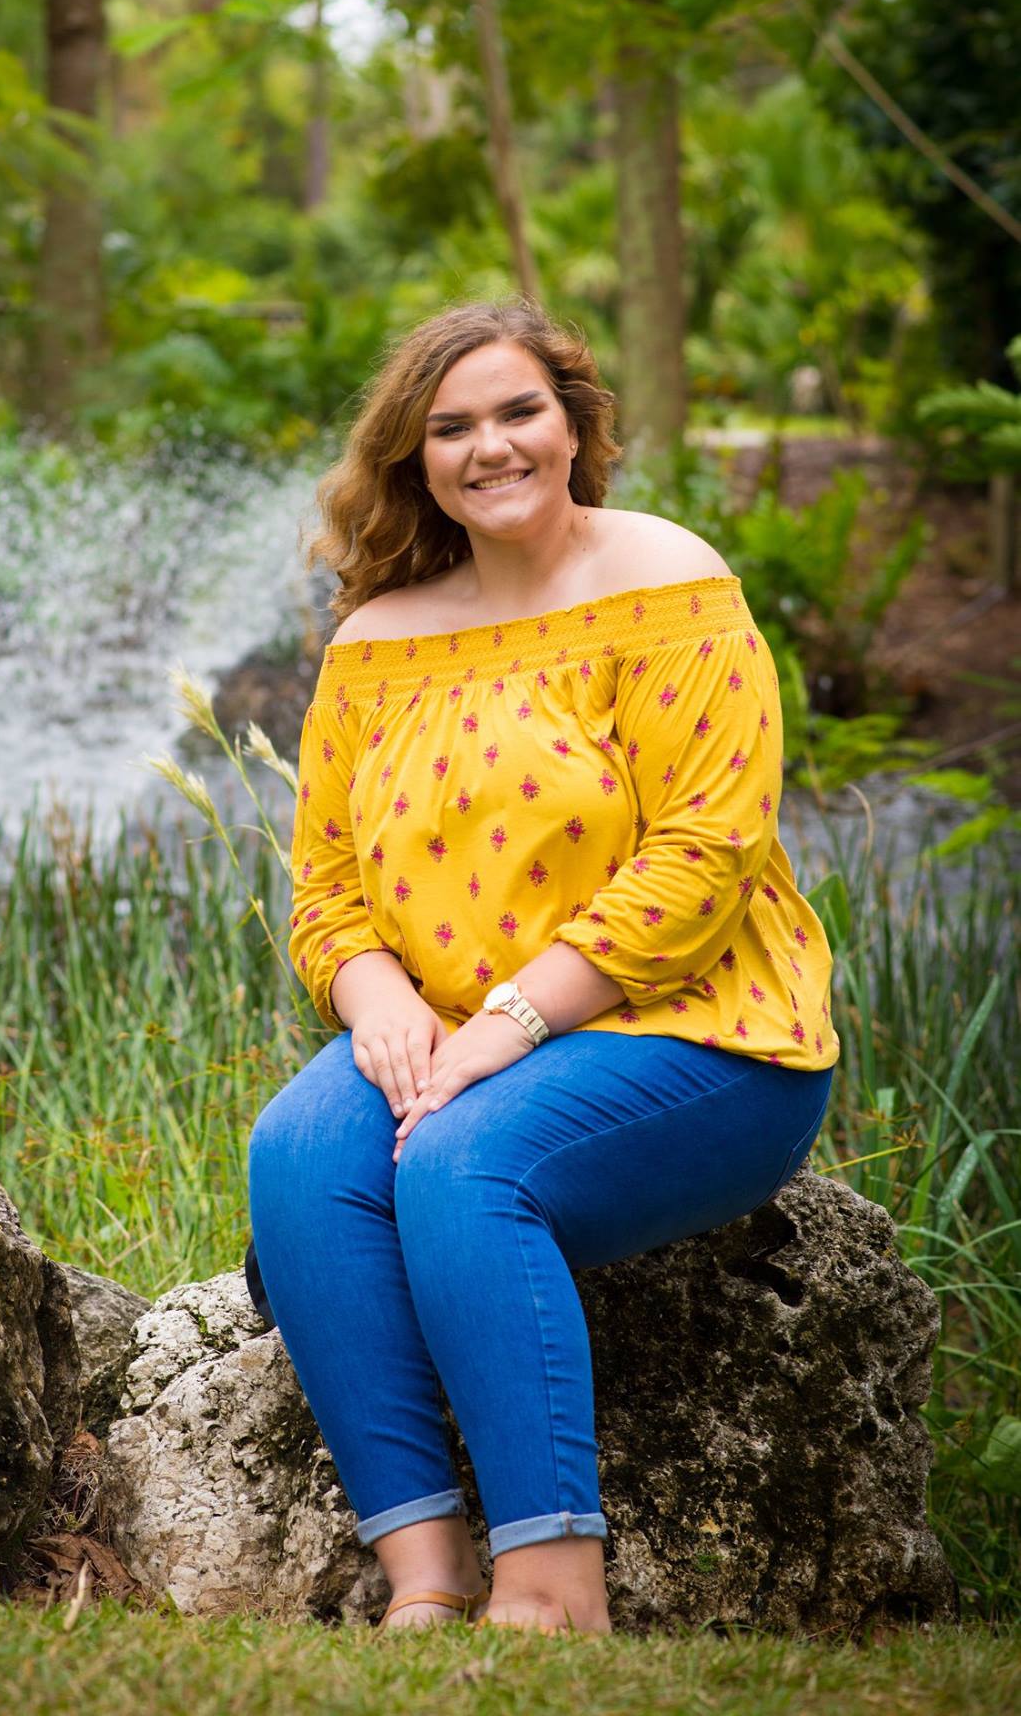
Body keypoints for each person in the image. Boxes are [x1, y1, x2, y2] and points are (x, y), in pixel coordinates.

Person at [245, 299, 840, 1638]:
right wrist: (381, 1001)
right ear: (415, 459)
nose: (491, 447)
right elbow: (327, 884)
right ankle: (424, 1575)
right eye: (451, 427)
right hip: (449, 1033)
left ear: (574, 421)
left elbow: (708, 852)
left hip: (697, 1036)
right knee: (297, 1153)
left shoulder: (668, 581)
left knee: (468, 1163)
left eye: (519, 411)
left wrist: (511, 1021)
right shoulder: (375, 641)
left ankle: (553, 1587)